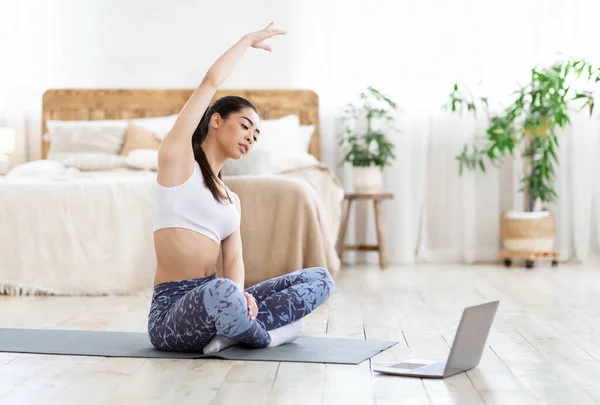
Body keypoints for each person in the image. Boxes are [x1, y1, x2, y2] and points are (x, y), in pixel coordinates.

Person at [147, 22, 335, 354]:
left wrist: (242, 298)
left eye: (256, 135)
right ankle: (265, 336)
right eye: (245, 126)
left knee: (319, 278)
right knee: (221, 291)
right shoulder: (177, 161)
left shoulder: (231, 198)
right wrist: (247, 41)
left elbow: (234, 262)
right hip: (172, 313)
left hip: (221, 298)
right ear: (217, 120)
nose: (250, 137)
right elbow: (210, 81)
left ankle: (235, 329)